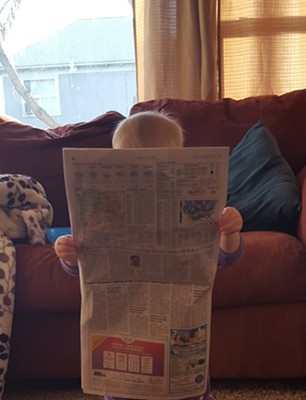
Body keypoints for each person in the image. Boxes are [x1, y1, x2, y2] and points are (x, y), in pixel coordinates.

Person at [55, 111, 244, 400]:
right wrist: (69, 254)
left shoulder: (193, 208)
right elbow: (83, 269)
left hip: (179, 348)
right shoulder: (103, 211)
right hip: (123, 356)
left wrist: (229, 232)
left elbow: (226, 257)